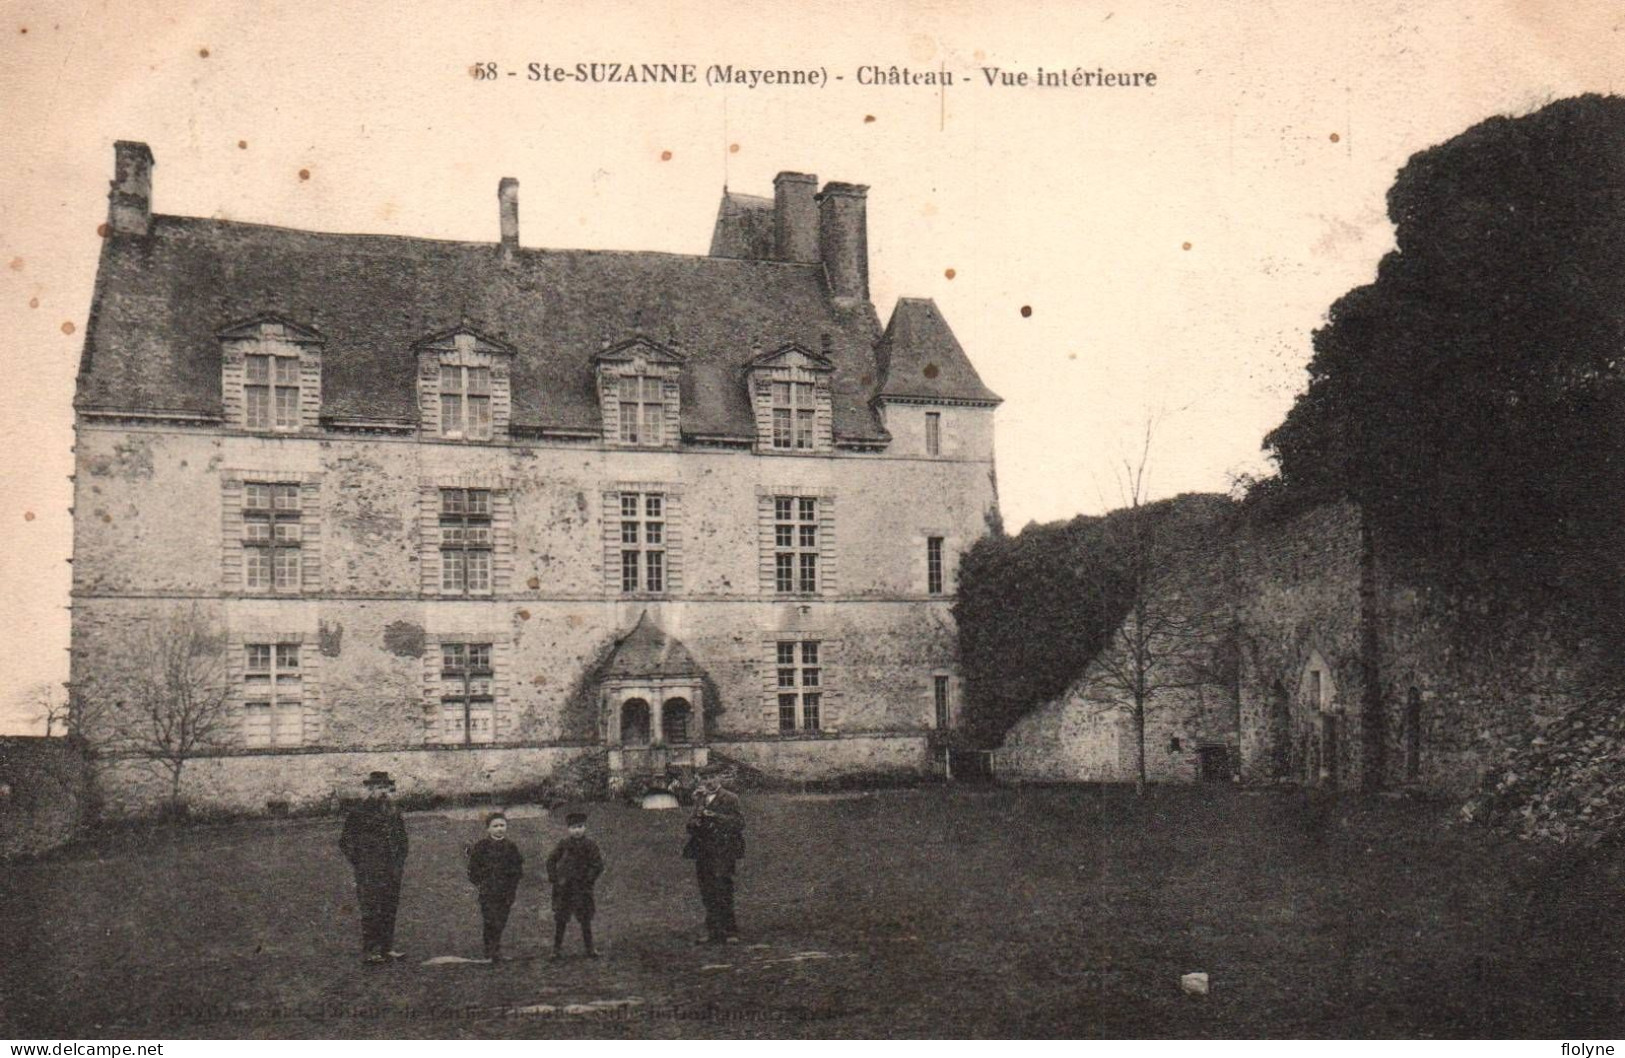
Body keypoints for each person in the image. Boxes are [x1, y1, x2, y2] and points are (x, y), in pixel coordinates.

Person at [338, 770, 409, 965]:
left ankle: (387, 948)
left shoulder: (393, 811)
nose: (383, 792)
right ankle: (371, 950)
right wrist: (360, 862)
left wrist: (399, 862)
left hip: (391, 870)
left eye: (386, 787)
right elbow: (345, 841)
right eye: (379, 788)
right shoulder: (359, 813)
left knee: (389, 907)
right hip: (369, 871)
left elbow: (403, 840)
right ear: (370, 789)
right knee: (371, 909)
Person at [683, 770, 745, 944]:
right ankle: (714, 931)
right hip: (703, 850)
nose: (709, 781)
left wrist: (715, 816)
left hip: (723, 850)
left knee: (723, 889)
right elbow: (690, 826)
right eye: (705, 778)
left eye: (711, 777)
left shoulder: (730, 798)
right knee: (707, 891)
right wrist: (695, 819)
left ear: (719, 778)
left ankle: (730, 931)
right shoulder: (700, 799)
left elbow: (739, 823)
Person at [465, 811, 524, 962]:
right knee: (490, 919)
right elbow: (473, 868)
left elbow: (517, 869)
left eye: (502, 825)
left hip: (505, 891)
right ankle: (490, 949)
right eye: (495, 826)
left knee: (502, 919)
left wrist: (512, 886)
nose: (499, 829)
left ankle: (495, 947)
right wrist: (481, 882)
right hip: (488, 891)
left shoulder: (511, 847)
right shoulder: (482, 846)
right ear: (488, 829)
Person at [545, 811, 604, 959]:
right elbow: (551, 860)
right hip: (564, 888)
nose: (577, 830)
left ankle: (590, 949)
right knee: (561, 918)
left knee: (585, 918)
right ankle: (556, 950)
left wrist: (588, 879)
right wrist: (555, 878)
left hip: (582, 888)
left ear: (585, 828)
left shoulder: (590, 845)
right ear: (568, 829)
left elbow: (597, 865)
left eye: (580, 827)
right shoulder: (563, 844)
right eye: (573, 827)